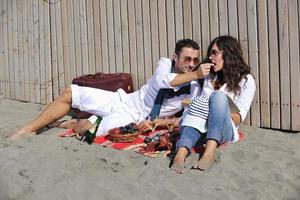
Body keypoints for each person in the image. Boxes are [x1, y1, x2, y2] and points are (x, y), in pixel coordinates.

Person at [9, 39, 213, 140]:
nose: (191, 63)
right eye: (187, 59)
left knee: (90, 132)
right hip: (124, 101)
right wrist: (195, 73)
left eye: (195, 60)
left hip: (135, 118)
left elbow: (188, 115)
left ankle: (64, 124)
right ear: (176, 57)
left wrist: (158, 122)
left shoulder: (195, 85)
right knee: (69, 92)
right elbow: (162, 81)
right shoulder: (164, 64)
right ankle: (27, 129)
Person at [171, 35, 256, 174]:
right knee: (199, 105)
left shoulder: (246, 81)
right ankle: (180, 154)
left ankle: (209, 152)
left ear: (228, 54)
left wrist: (217, 110)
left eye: (214, 53)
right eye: (210, 52)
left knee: (218, 96)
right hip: (200, 123)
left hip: (224, 129)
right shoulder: (208, 76)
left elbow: (239, 117)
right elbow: (194, 107)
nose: (210, 57)